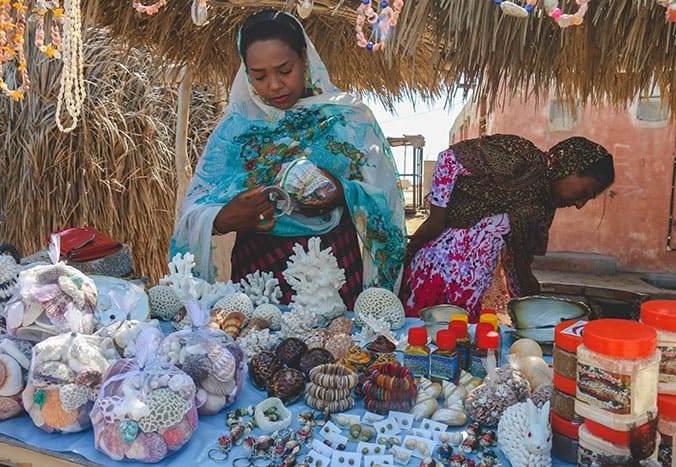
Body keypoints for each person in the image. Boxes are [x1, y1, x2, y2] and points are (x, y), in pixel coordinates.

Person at [170, 10, 407, 309]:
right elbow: (195, 210)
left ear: (304, 57)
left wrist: (342, 192)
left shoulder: (347, 118)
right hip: (257, 270)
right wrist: (225, 218)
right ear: (246, 72)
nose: (274, 86)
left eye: (284, 70)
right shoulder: (236, 129)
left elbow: (385, 197)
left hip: (332, 269)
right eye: (259, 76)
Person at [401, 134, 615, 322]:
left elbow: (514, 261)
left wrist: (528, 310)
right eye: (586, 192)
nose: (580, 204)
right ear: (572, 168)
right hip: (432, 277)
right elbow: (450, 158)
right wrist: (438, 216)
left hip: (469, 294)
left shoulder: (540, 208)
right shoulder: (522, 159)